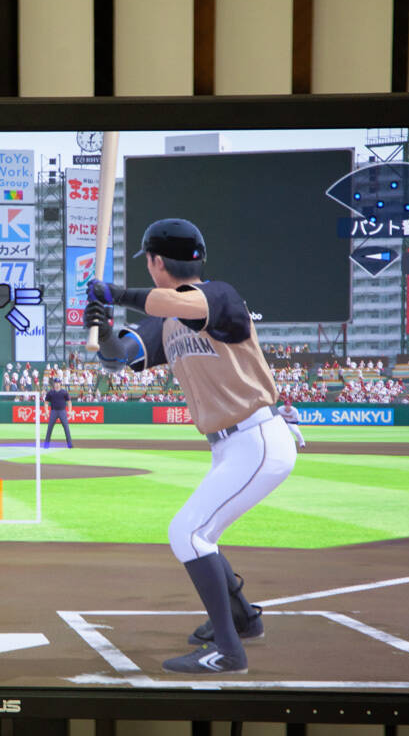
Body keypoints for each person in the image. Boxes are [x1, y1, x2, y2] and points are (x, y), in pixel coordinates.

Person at [84, 217, 296, 675]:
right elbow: (119, 359)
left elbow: (180, 303)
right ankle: (242, 620)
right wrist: (104, 331)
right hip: (230, 446)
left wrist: (116, 294)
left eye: (149, 261)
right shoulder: (167, 322)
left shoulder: (220, 297)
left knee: (188, 532)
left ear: (156, 262)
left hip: (256, 438)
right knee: (205, 531)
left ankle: (228, 652)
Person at [43, 378, 73, 449]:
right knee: (49, 428)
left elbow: (69, 402)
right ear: (54, 384)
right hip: (53, 411)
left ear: (60, 384)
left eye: (58, 383)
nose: (57, 384)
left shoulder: (64, 392)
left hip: (62, 411)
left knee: (66, 428)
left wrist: (70, 411)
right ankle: (46, 445)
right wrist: (46, 411)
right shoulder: (50, 392)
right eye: (56, 383)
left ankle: (70, 444)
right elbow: (46, 402)